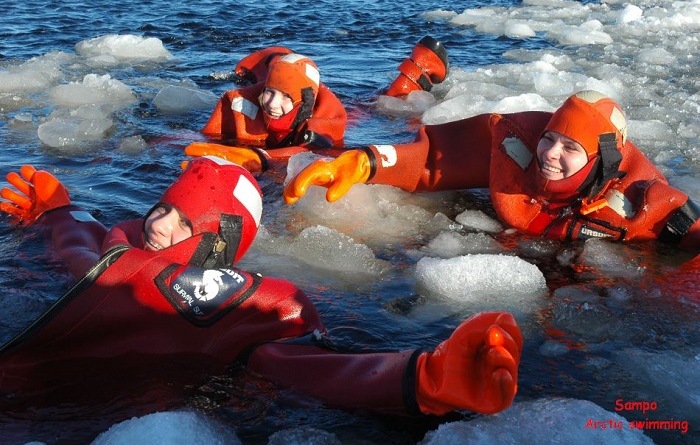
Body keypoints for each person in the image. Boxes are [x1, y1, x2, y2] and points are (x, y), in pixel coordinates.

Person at [0, 157, 521, 418]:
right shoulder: (120, 243)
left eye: (185, 224)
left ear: (216, 248)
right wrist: (58, 210)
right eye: (163, 208)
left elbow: (311, 366)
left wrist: (419, 379)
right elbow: (81, 246)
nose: (160, 226)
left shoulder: (232, 304)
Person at [283, 90, 700, 251]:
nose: (550, 153)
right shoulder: (516, 143)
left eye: (571, 148)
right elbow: (433, 160)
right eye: (551, 138)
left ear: (603, 161)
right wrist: (367, 161)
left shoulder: (644, 203)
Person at [185, 37, 449, 173]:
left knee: (366, 109)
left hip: (325, 116)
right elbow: (204, 137)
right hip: (283, 79)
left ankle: (410, 78)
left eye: (284, 97)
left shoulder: (325, 119)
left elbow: (312, 153)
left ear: (303, 102)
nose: (271, 105)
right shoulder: (241, 101)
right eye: (269, 93)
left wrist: (262, 159)